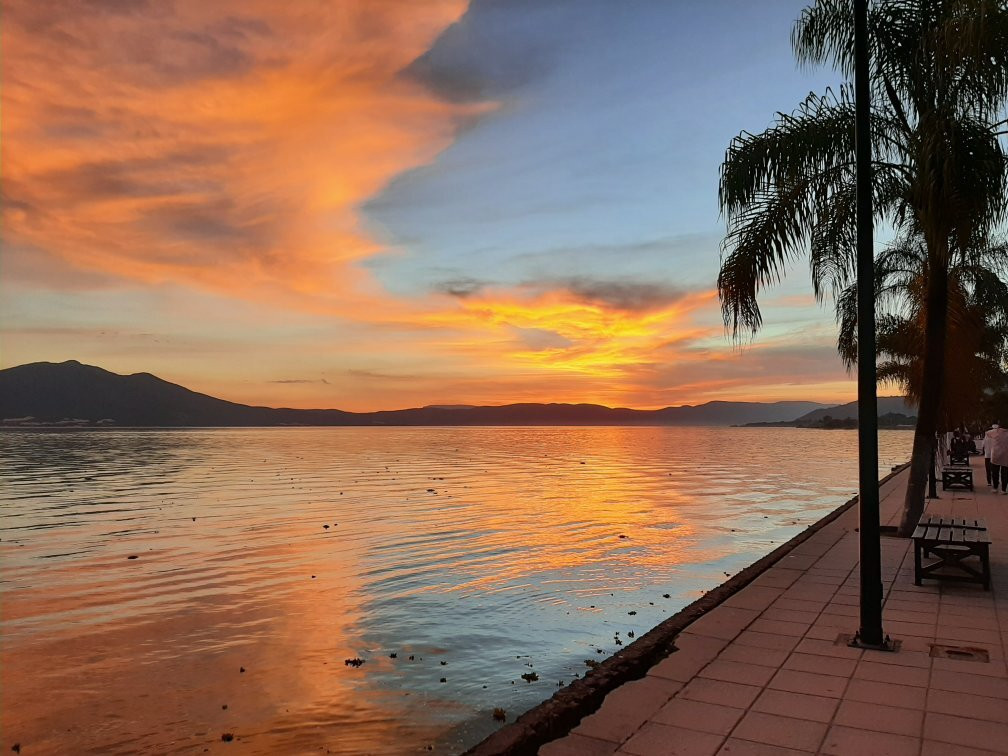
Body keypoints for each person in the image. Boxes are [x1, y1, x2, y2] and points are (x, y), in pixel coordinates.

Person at [990, 423, 1008, 495]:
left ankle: (995, 488)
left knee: (995, 472)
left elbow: (987, 433)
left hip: (995, 456)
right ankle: (1003, 489)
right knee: (1005, 473)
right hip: (1005, 456)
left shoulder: (995, 432)